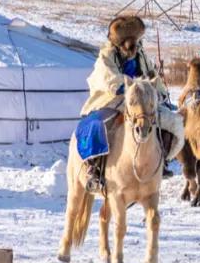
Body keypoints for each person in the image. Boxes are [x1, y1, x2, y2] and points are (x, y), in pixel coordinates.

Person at [74, 16, 185, 192]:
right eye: (129, 41)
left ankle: (161, 161)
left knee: (171, 121)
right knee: (97, 125)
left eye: (135, 40)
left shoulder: (140, 55)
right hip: (113, 99)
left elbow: (152, 75)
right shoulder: (106, 56)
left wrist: (158, 90)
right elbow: (107, 78)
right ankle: (94, 170)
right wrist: (130, 85)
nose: (132, 45)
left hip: (143, 100)